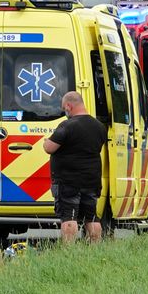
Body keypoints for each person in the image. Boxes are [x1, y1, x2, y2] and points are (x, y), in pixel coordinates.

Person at [42, 91, 107, 244]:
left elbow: (49, 148)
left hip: (68, 181)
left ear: (69, 106)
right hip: (91, 180)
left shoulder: (67, 125)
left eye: (65, 108)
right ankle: (95, 248)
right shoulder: (99, 126)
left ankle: (69, 251)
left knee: (69, 217)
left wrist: (45, 142)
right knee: (92, 217)